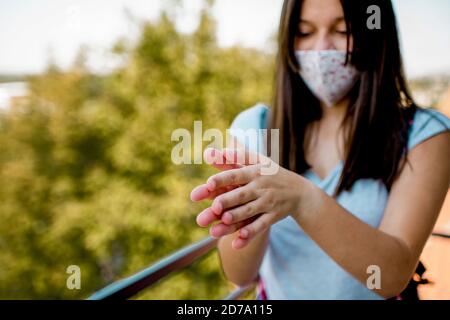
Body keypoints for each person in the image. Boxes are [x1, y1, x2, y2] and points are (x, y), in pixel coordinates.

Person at [190, 0, 450, 299]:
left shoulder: (425, 134)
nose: (321, 49)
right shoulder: (255, 128)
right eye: (304, 32)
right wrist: (248, 221)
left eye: (342, 30)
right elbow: (240, 275)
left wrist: (305, 200)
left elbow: (390, 278)